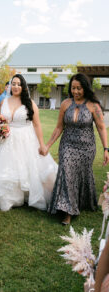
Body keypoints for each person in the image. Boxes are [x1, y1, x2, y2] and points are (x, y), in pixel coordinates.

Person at [0, 74, 58, 211]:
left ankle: (27, 194)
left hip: (26, 139)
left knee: (25, 167)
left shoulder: (30, 103)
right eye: (13, 83)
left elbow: (37, 125)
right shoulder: (4, 102)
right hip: (6, 140)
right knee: (6, 168)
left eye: (19, 84)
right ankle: (10, 197)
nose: (16, 86)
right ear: (10, 85)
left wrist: (42, 144)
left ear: (24, 87)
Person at [46, 73, 109, 225]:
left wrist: (106, 148)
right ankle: (68, 211)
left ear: (85, 88)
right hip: (67, 144)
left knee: (80, 175)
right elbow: (59, 127)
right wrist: (48, 145)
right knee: (67, 171)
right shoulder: (65, 104)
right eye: (73, 88)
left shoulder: (94, 105)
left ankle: (82, 202)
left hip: (87, 148)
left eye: (79, 88)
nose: (76, 91)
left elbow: (101, 127)